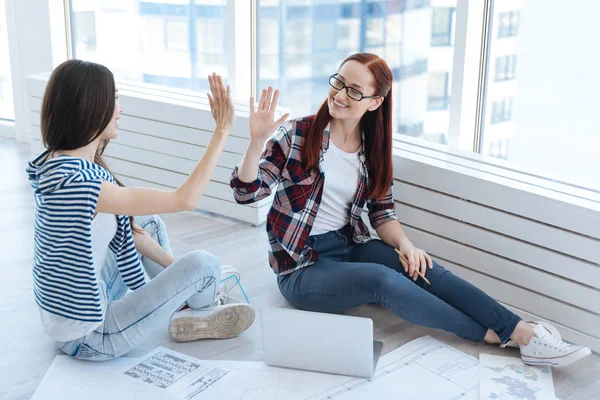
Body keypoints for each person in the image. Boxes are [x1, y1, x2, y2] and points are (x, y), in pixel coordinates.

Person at [230, 52, 591, 367]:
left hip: (347, 246)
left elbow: (382, 212)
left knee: (418, 264)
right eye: (339, 82)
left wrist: (406, 245)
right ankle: (489, 335)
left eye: (354, 91)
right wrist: (256, 142)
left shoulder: (372, 148)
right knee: (381, 279)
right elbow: (247, 194)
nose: (340, 95)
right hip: (301, 267)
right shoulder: (298, 133)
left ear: (375, 102)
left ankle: (519, 329)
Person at [27, 59, 254, 361]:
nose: (120, 108)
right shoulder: (83, 184)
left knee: (148, 222)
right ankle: (202, 301)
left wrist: (175, 275)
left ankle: (185, 297)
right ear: (90, 108)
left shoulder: (57, 164)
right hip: (91, 336)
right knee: (203, 263)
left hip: (66, 315)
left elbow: (130, 231)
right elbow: (185, 200)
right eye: (115, 99)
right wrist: (223, 130)